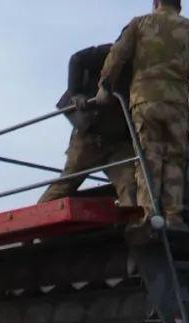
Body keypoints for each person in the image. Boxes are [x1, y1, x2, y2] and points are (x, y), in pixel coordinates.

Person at [94, 0, 189, 227]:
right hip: (176, 104)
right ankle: (174, 216)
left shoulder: (139, 24)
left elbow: (117, 55)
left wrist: (105, 87)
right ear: (179, 5)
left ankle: (150, 214)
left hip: (145, 101)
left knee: (149, 157)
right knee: (175, 158)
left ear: (155, 2)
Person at [38, 44, 137, 209]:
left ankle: (136, 231)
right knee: (65, 185)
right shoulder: (113, 51)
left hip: (118, 141)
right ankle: (34, 225)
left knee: (131, 185)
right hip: (90, 135)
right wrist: (76, 93)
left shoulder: (150, 67)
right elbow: (77, 59)